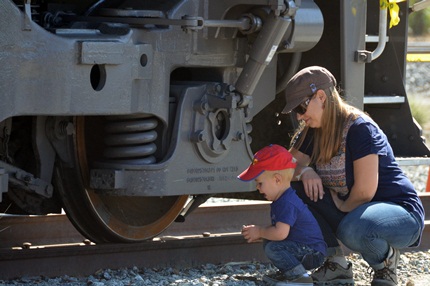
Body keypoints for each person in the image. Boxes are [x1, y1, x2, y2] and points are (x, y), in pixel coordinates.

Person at [281, 66, 425, 286]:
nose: (299, 116)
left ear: (320, 96)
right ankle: (336, 265)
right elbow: (282, 170)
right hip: (355, 210)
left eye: (301, 107)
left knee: (354, 229)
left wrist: (339, 207)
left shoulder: (360, 129)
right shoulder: (314, 130)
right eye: (295, 111)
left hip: (399, 213)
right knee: (293, 191)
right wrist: (304, 171)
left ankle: (385, 265)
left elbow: (364, 192)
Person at [238, 144, 327, 285]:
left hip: (311, 252)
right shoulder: (283, 199)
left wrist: (260, 231)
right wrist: (261, 233)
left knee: (273, 247)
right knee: (270, 242)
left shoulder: (286, 202)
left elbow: (280, 234)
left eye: (260, 183)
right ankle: (291, 274)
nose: (258, 188)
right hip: (307, 249)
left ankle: (299, 278)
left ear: (277, 179)